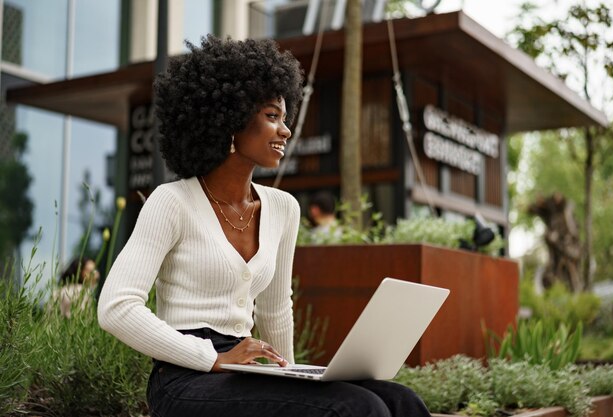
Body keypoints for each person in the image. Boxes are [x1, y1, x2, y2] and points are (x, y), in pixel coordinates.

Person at [98, 35, 431, 417]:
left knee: (400, 400)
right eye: (272, 116)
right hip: (184, 379)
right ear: (230, 120)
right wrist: (211, 358)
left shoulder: (283, 208)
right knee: (355, 408)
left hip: (246, 369)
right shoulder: (172, 202)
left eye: (284, 119)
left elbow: (275, 311)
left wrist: (292, 377)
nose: (286, 131)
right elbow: (116, 308)